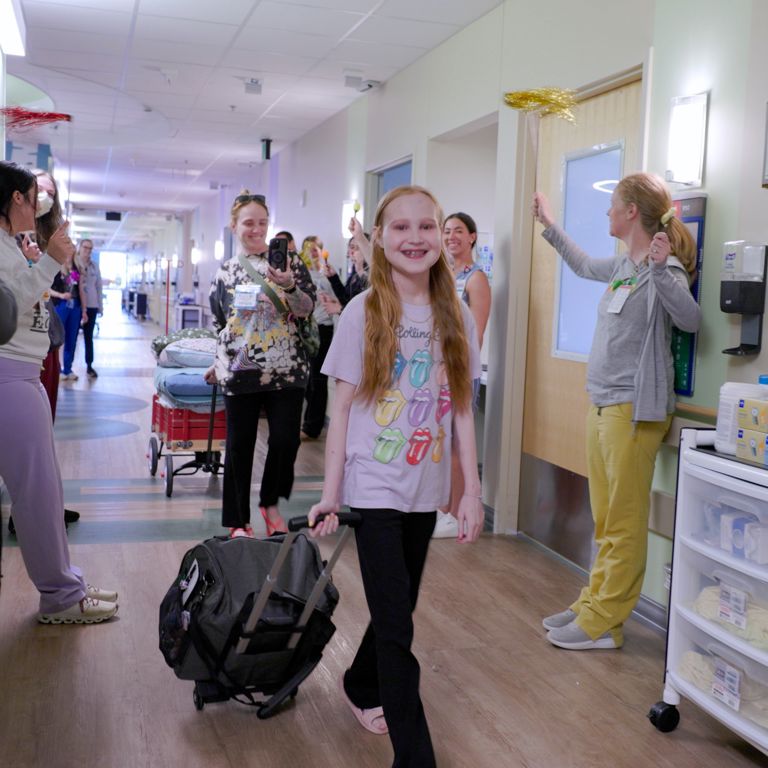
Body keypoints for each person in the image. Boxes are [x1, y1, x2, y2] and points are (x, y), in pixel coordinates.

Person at [308, 185, 483, 768]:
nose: (415, 238)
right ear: (379, 239)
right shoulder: (363, 312)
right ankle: (416, 757)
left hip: (424, 487)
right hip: (373, 487)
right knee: (397, 630)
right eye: (401, 228)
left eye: (427, 227)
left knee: (397, 606)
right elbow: (339, 413)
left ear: (441, 235)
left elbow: (460, 406)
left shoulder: (455, 312)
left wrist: (472, 489)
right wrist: (332, 494)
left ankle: (361, 685)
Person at [532, 172, 700, 651]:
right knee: (604, 518)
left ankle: (606, 620)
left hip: (635, 410)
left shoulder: (662, 270)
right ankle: (595, 603)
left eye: (613, 205)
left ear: (631, 213)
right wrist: (549, 224)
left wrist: (661, 267)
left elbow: (689, 320)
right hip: (603, 403)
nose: (607, 212)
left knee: (624, 523)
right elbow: (584, 266)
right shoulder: (626, 266)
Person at [0, 160, 118, 623]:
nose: (40, 204)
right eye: (35, 196)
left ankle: (65, 585)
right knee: (38, 493)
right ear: (16, 199)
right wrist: (49, 259)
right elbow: (8, 307)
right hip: (10, 373)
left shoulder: (11, 244)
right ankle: (62, 596)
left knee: (42, 490)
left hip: (20, 371)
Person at [206, 192, 316, 538]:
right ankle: (238, 521)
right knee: (239, 445)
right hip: (242, 369)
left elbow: (306, 308)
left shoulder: (291, 262)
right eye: (249, 222)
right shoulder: (226, 271)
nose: (257, 229)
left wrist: (289, 286)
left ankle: (270, 502)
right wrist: (217, 361)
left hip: (288, 369)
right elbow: (220, 323)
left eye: (263, 222)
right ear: (234, 226)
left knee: (285, 440)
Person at [433, 211, 492, 538]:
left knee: (457, 445)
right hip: (435, 373)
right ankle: (442, 507)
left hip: (459, 373)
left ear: (472, 236)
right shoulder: (442, 275)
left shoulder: (476, 278)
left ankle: (453, 513)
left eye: (458, 231)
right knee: (441, 441)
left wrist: (454, 367)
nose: (451, 236)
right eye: (447, 231)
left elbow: (477, 334)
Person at [300, 235, 335, 441]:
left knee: (318, 379)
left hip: (324, 328)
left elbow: (337, 297)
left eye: (317, 248)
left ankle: (312, 426)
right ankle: (310, 422)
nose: (314, 252)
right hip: (308, 328)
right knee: (308, 379)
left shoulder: (327, 272)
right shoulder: (303, 273)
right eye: (310, 249)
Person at [75, 238, 102, 378]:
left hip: (91, 305)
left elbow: (98, 287)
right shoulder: (74, 264)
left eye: (90, 248)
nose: (88, 251)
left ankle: (89, 366)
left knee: (88, 337)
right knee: (71, 337)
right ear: (79, 247)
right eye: (85, 247)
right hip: (75, 305)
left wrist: (100, 307)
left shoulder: (94, 266)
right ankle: (68, 368)